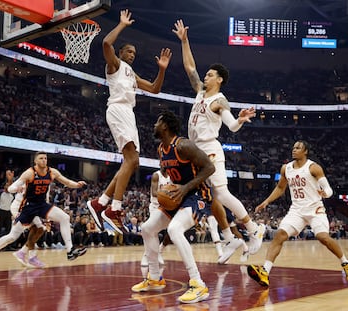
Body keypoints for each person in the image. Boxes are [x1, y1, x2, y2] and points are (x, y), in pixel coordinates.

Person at [173, 20, 265, 256]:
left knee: (221, 194)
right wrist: (184, 41)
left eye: (210, 74)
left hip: (210, 149)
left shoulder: (220, 100)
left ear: (220, 79)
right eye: (207, 73)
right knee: (210, 197)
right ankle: (229, 238)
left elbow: (232, 126)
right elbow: (190, 68)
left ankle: (254, 230)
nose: (205, 75)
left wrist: (241, 119)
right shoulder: (201, 93)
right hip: (194, 151)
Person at [87, 9, 172, 235]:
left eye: (134, 52)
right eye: (129, 51)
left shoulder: (132, 75)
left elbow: (155, 88)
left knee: (132, 162)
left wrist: (162, 70)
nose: (132, 54)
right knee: (132, 158)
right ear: (121, 52)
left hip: (128, 113)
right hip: (117, 109)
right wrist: (122, 25)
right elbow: (106, 43)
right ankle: (113, 208)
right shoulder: (114, 65)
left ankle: (100, 203)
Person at [131, 110, 215, 304]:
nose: (154, 125)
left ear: (165, 126)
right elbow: (172, 173)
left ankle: (198, 283)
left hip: (197, 195)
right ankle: (154, 277)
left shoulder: (183, 145)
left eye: (157, 122)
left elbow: (210, 167)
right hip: (178, 196)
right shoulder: (161, 149)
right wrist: (168, 190)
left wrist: (185, 187)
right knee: (147, 228)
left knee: (175, 229)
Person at [247, 141, 348, 287]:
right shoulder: (286, 168)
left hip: (315, 209)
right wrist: (266, 201)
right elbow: (281, 188)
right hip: (297, 210)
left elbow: (329, 189)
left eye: (298, 148)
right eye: (293, 147)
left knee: (323, 237)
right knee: (279, 235)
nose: (294, 150)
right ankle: (265, 272)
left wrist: (325, 193)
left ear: (305, 151)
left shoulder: (313, 167)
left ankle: (345, 263)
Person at [0, 151, 87, 270]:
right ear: (35, 161)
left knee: (64, 218)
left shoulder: (52, 172)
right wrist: (16, 188)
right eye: (41, 158)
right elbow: (12, 188)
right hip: (28, 207)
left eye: (45, 158)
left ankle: (70, 251)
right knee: (12, 236)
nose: (44, 160)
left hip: (42, 205)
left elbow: (67, 182)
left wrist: (77, 185)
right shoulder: (29, 173)